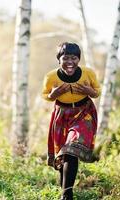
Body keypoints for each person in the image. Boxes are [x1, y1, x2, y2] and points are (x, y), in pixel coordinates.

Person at [41, 42, 101, 200]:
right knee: (63, 153)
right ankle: (65, 192)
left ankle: (67, 195)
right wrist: (52, 95)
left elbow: (97, 92)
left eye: (74, 58)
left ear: (78, 59)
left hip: (84, 113)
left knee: (71, 149)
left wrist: (90, 91)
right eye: (65, 58)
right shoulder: (50, 77)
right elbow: (45, 95)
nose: (70, 62)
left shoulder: (88, 73)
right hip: (61, 114)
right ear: (59, 59)